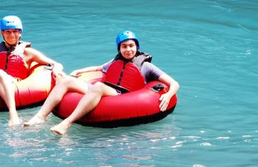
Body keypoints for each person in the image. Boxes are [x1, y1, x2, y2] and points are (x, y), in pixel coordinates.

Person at [24, 30, 179, 135]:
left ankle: (67, 123)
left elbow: (174, 83)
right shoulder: (115, 60)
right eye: (124, 46)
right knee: (65, 80)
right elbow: (99, 68)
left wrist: (168, 95)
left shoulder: (146, 66)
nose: (128, 49)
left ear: (137, 47)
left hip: (120, 93)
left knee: (98, 87)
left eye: (131, 46)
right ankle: (40, 116)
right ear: (119, 49)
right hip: (102, 88)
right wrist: (80, 71)